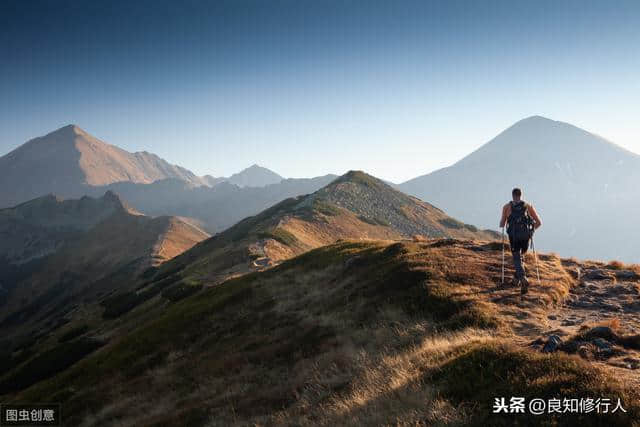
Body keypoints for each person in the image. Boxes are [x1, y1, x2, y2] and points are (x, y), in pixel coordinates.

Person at [499, 188, 542, 294]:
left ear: (512, 195)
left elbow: (502, 224)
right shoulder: (528, 206)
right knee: (520, 258)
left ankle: (523, 278)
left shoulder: (507, 207)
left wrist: (505, 221)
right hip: (525, 237)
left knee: (517, 258)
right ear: (521, 195)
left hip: (514, 237)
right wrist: (531, 232)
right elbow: (539, 223)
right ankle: (515, 280)